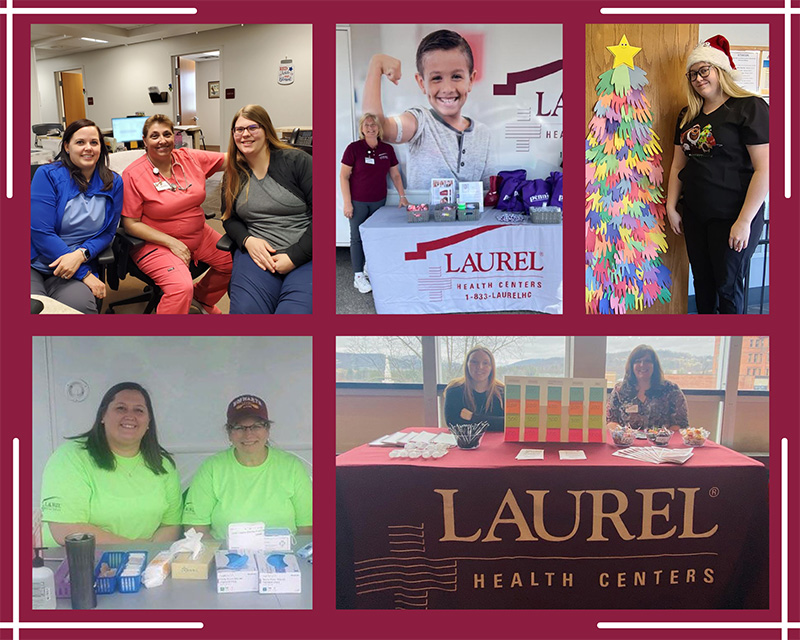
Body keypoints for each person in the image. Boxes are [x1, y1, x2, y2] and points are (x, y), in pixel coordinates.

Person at [666, 35, 769, 314]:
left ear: (720, 71)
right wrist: (671, 206)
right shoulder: (688, 116)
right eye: (692, 74)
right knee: (703, 284)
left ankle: (730, 348)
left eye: (704, 70)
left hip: (733, 216)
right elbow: (678, 165)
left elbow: (765, 169)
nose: (698, 78)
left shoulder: (749, 107)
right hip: (696, 215)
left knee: (727, 288)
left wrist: (744, 221)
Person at [40, 382, 182, 547]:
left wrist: (149, 557)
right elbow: (66, 529)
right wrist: (134, 550)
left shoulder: (162, 463)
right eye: (121, 408)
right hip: (73, 562)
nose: (130, 415)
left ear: (149, 421)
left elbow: (171, 525)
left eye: (139, 410)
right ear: (103, 416)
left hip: (142, 564)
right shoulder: (70, 457)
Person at [121, 114, 232, 314]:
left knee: (232, 261)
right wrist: (172, 242)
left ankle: (203, 300)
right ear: (144, 141)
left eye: (167, 134)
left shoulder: (188, 158)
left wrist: (259, 148)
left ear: (175, 137)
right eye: (154, 136)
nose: (162, 140)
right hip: (155, 242)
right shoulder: (133, 174)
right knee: (181, 288)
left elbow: (229, 159)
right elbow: (131, 223)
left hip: (199, 233)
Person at [362, 29, 494, 191]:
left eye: (456, 76)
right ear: (421, 83)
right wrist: (376, 65)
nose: (447, 88)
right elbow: (376, 128)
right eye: (436, 78)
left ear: (471, 80)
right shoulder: (420, 121)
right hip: (425, 216)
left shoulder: (483, 133)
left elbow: (490, 192)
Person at [221, 105, 312, 314]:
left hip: (306, 253)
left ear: (266, 130)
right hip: (257, 256)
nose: (245, 134)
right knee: (246, 313)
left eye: (252, 127)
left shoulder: (297, 162)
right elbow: (228, 218)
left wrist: (294, 257)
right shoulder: (233, 173)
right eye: (239, 129)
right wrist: (247, 240)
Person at [183, 394, 312, 541]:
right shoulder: (212, 467)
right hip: (225, 558)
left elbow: (308, 528)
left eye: (256, 426)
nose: (248, 434)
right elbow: (195, 527)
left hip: (285, 558)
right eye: (239, 427)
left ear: (267, 430)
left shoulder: (292, 466)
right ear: (229, 434)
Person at [31, 119, 123, 314]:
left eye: (94, 142)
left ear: (101, 147)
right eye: (80, 142)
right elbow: (41, 233)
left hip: (76, 264)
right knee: (31, 311)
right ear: (67, 146)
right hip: (34, 263)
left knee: (80, 310)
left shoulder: (114, 182)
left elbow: (108, 233)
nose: (88, 148)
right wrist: (84, 274)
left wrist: (81, 255)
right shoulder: (47, 175)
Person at [340, 113, 408, 294]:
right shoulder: (353, 149)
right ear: (361, 129)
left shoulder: (387, 149)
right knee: (357, 238)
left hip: (379, 201)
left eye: (374, 125)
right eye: (367, 125)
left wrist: (402, 196)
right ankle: (358, 276)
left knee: (375, 236)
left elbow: (395, 175)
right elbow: (344, 176)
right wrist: (347, 203)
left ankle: (369, 269)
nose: (370, 128)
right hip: (358, 202)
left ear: (379, 128)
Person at [606, 345, 689, 432]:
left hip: (661, 443)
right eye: (638, 361)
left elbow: (681, 424)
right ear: (631, 366)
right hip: (627, 443)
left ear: (654, 365)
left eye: (647, 361)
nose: (642, 365)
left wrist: (662, 436)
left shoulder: (671, 389)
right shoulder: (619, 390)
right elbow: (611, 421)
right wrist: (625, 435)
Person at [444, 346, 505, 432]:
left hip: (497, 443)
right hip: (466, 444)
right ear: (467, 364)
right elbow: (453, 424)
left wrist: (473, 417)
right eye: (474, 362)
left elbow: (507, 424)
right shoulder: (454, 390)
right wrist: (493, 422)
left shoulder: (503, 392)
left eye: (485, 363)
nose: (479, 367)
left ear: (492, 367)